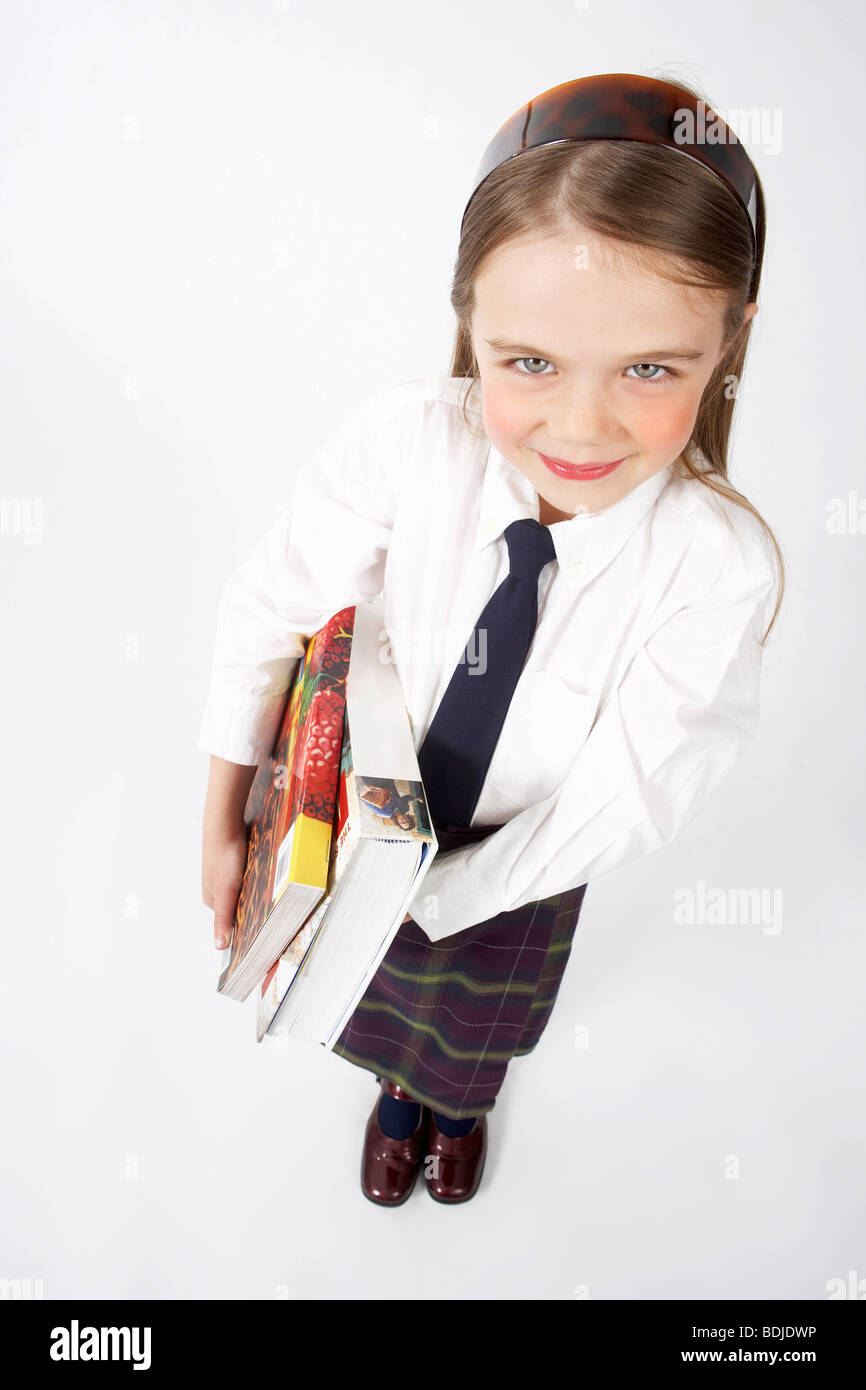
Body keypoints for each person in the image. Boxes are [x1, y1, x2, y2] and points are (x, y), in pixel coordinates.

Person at [199, 72, 785, 1209]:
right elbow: (270, 600)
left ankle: (455, 1106)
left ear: (731, 339)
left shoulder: (715, 570)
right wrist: (220, 815)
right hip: (362, 818)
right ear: (468, 311)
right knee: (367, 1005)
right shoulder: (407, 443)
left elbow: (625, 795)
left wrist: (434, 902)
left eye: (650, 369)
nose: (578, 425)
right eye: (527, 362)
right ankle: (393, 1092)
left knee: (472, 1031)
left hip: (520, 868)